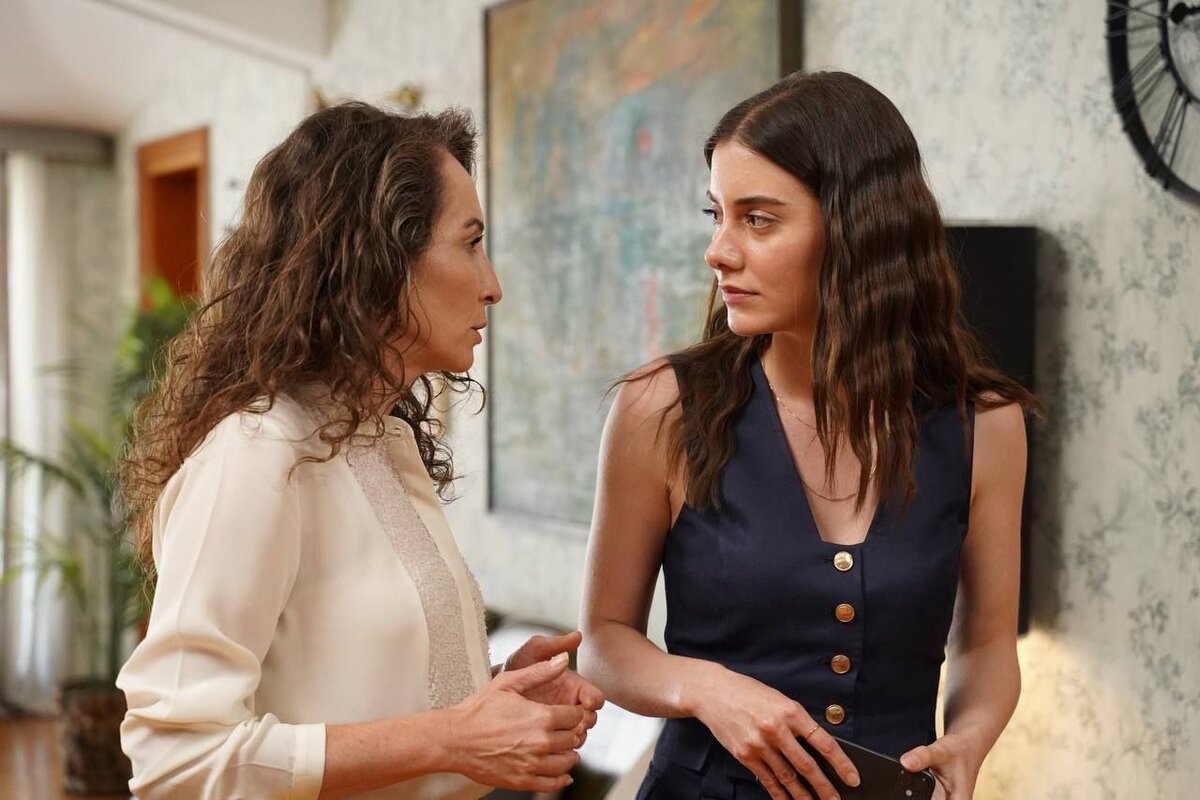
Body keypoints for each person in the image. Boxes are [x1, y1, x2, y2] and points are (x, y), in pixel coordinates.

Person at [117, 102, 604, 800]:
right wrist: (451, 738)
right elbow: (174, 761)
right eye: (470, 243)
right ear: (379, 260)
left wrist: (493, 698)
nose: (492, 285)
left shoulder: (381, 439)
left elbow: (357, 698)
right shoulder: (256, 457)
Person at [579, 71, 1036, 800]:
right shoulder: (661, 408)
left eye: (757, 220)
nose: (719, 251)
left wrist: (970, 739)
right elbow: (605, 642)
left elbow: (984, 642)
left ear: (858, 230)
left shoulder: (985, 424)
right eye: (716, 215)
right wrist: (705, 688)